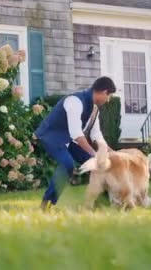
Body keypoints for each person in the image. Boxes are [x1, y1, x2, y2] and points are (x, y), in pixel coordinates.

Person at [36, 76, 116, 211]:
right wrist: (94, 153)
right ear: (103, 91)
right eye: (108, 96)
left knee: (100, 165)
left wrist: (111, 153)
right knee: (67, 165)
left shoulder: (94, 109)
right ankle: (46, 203)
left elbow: (96, 135)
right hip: (51, 135)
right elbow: (76, 134)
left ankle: (103, 203)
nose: (108, 100)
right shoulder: (75, 101)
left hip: (69, 139)